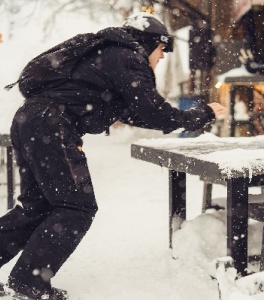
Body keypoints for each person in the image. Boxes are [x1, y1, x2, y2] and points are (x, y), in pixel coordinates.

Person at [0, 12, 227, 300]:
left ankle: (26, 280)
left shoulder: (106, 56)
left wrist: (187, 118)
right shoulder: (126, 57)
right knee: (75, 207)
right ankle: (28, 283)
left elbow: (134, 112)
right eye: (161, 50)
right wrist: (200, 114)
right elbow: (152, 110)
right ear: (149, 43)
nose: (162, 58)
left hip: (30, 121)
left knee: (37, 207)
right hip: (51, 124)